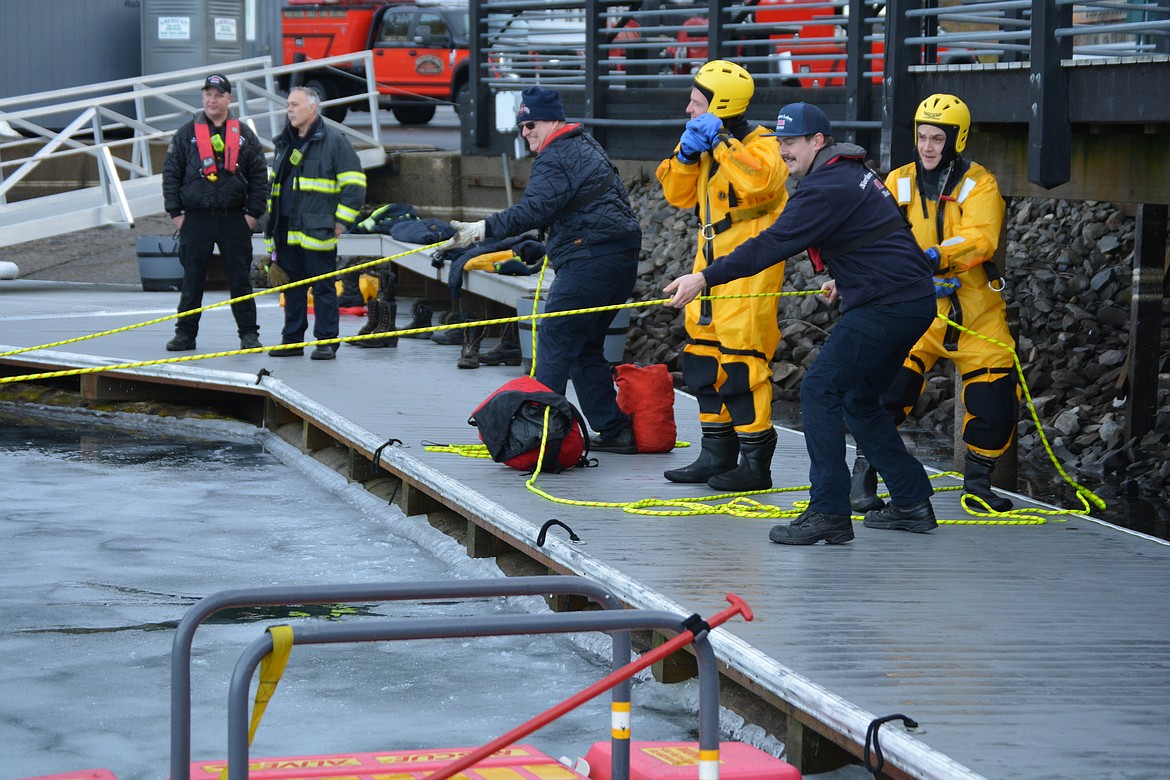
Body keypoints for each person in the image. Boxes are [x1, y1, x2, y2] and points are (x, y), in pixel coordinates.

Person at [664, 102, 938, 545]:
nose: (785, 151)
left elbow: (771, 244)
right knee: (860, 400)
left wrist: (704, 277)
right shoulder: (852, 172)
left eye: (792, 143)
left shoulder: (824, 187)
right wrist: (847, 280)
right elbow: (884, 234)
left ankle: (829, 511)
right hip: (908, 298)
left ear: (818, 141)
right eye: (780, 142)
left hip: (888, 305)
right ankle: (911, 502)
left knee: (819, 389)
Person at [447, 86, 642, 452]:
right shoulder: (585, 145)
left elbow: (533, 210)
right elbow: (577, 207)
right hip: (619, 260)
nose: (525, 132)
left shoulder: (556, 156)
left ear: (553, 120)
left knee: (553, 338)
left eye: (531, 123)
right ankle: (614, 429)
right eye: (521, 126)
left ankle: (537, 438)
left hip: (589, 262)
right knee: (584, 346)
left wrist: (482, 230)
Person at [850, 93, 1018, 513]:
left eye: (937, 139)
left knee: (995, 401)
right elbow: (872, 234)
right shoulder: (897, 181)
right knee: (887, 391)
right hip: (912, 305)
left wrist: (937, 259)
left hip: (971, 306)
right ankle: (864, 476)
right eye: (922, 137)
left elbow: (981, 237)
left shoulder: (980, 184)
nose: (927, 147)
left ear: (957, 140)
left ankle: (978, 484)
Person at [655, 60, 790, 492]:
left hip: (750, 268)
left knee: (742, 363)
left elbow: (761, 183)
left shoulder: (765, 144)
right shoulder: (701, 139)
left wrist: (723, 142)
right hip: (707, 264)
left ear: (721, 106)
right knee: (701, 357)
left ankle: (755, 463)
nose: (688, 110)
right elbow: (676, 195)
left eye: (696, 103)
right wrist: (685, 155)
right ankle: (716, 453)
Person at [162, 73, 268, 352]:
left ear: (228, 99)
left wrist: (253, 214)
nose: (212, 99)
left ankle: (249, 334)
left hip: (235, 217)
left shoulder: (244, 134)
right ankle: (185, 334)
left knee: (240, 279)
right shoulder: (186, 134)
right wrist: (176, 212)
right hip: (196, 217)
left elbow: (259, 177)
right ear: (203, 97)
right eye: (208, 94)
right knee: (192, 279)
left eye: (218, 95)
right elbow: (171, 174)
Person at [265, 85, 367, 360]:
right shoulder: (284, 142)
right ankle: (292, 341)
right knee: (292, 288)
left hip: (317, 230)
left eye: (295, 104)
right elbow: (274, 186)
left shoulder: (334, 141)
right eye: (288, 104)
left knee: (323, 287)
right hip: (286, 229)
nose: (289, 109)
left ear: (312, 108)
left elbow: (355, 186)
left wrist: (340, 224)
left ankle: (326, 341)